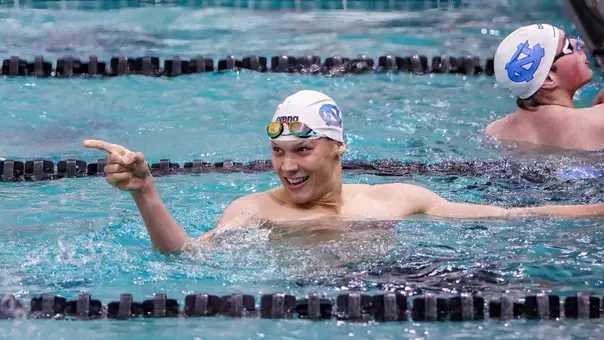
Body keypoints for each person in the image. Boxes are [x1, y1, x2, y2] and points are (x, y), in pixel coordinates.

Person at [84, 90, 604, 254]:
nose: (287, 165)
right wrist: (146, 193)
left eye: (303, 150)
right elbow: (189, 256)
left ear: (337, 148)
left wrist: (594, 209)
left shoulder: (399, 198)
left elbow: (511, 215)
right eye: (278, 151)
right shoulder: (251, 211)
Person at [486, 23, 604, 151]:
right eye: (568, 46)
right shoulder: (596, 122)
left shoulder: (495, 131)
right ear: (548, 79)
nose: (580, 44)